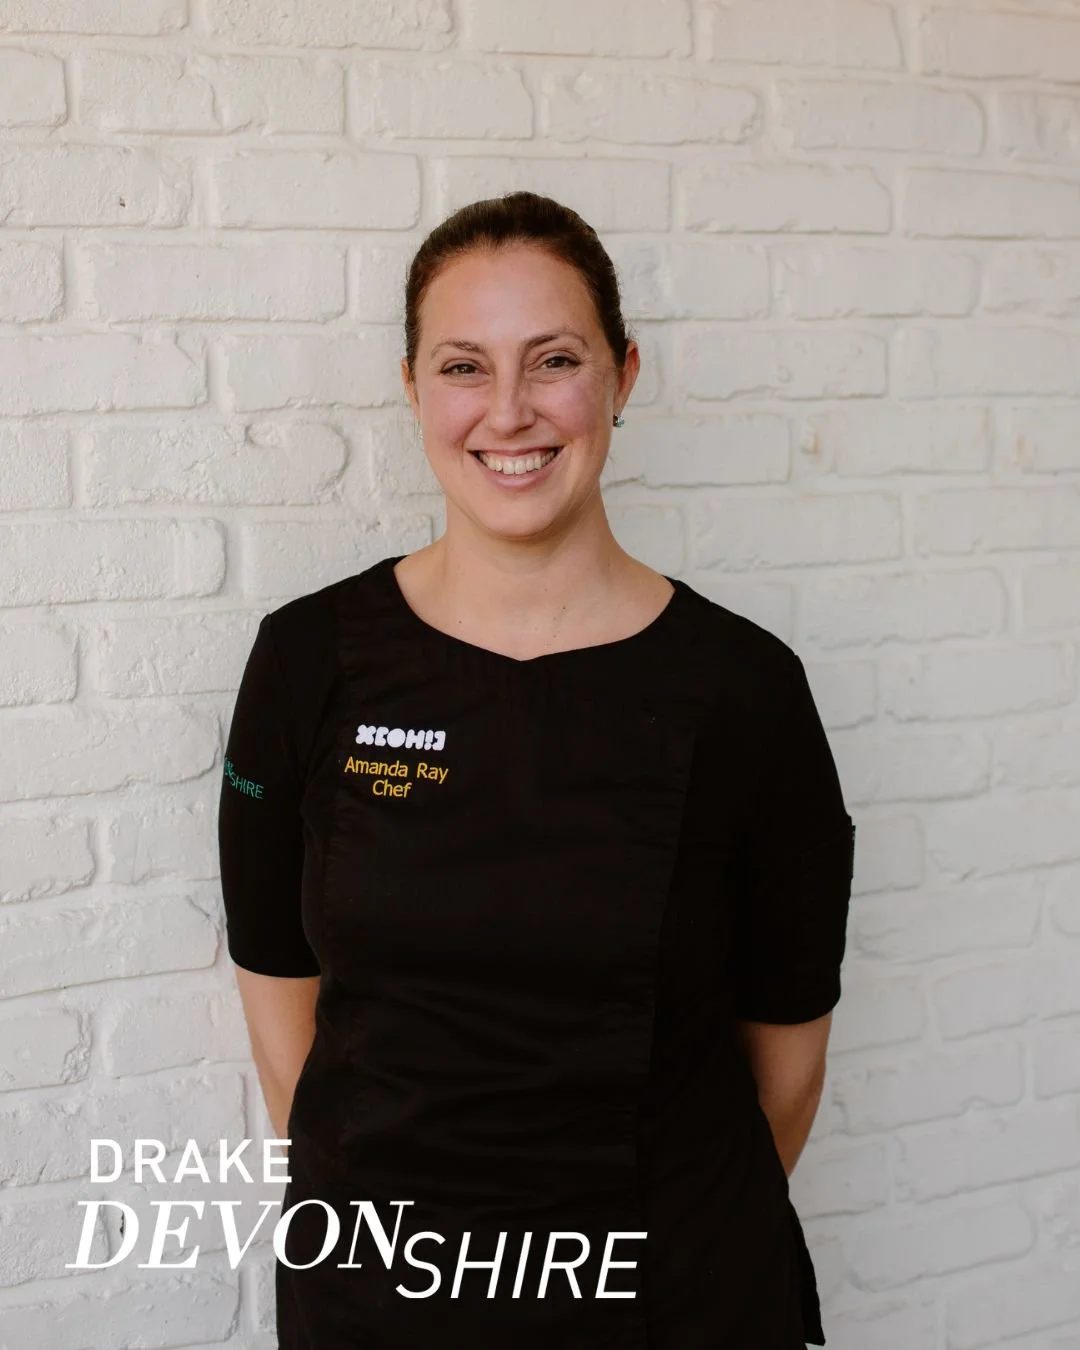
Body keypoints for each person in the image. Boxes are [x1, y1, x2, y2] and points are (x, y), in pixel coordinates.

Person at [217, 190, 856, 1349]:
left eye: (553, 360)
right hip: (380, 1303)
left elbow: (789, 1070)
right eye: (464, 366)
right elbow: (281, 1021)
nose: (507, 411)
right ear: (413, 389)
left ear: (622, 377)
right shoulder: (307, 662)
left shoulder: (748, 691)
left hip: (675, 1299)